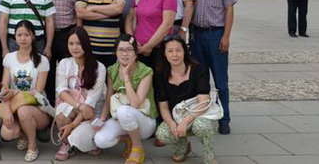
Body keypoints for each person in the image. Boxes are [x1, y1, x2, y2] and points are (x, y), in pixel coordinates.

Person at [191, 0, 237, 135]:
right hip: (196, 36)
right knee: (199, 79)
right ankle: (202, 116)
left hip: (215, 35)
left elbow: (229, 9)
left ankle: (224, 119)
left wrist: (226, 36)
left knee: (220, 80)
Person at [93, 34, 157, 164]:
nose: (124, 54)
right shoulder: (112, 70)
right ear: (115, 53)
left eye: (129, 50)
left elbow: (136, 103)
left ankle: (137, 148)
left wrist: (126, 76)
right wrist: (102, 120)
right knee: (100, 140)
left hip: (144, 121)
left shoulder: (146, 71)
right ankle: (129, 139)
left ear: (136, 53)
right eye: (120, 50)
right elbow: (108, 98)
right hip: (124, 118)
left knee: (123, 111)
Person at [154, 35, 218, 164]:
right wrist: (171, 123)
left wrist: (185, 121)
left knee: (202, 126)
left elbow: (204, 101)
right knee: (162, 134)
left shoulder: (198, 69)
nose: (174, 55)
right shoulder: (161, 74)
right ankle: (182, 147)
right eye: (170, 51)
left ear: (185, 51)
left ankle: (209, 154)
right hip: (177, 116)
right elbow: (163, 106)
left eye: (178, 50)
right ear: (164, 54)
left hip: (200, 115)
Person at [0, 20, 53, 162]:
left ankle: (32, 146)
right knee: (7, 133)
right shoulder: (9, 58)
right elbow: (4, 85)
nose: (23, 38)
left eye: (26, 35)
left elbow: (37, 91)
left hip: (37, 108)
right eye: (19, 35)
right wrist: (6, 109)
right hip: (15, 105)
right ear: (15, 37)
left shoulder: (42, 60)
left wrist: (15, 92)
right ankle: (23, 133)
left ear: (33, 36)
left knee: (24, 111)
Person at [37, 0, 84, 103]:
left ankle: (69, 104)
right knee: (46, 70)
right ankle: (50, 104)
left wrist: (77, 33)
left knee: (69, 70)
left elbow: (78, 11)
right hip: (44, 35)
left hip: (67, 33)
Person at [53, 27, 107, 160]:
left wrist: (72, 125)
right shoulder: (64, 63)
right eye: (71, 43)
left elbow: (90, 104)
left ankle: (89, 140)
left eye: (78, 43)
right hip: (75, 106)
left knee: (80, 140)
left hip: (92, 112)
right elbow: (61, 91)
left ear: (86, 44)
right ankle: (66, 144)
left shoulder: (99, 67)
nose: (74, 47)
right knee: (61, 111)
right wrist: (79, 106)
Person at [125, 0, 176, 69]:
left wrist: (149, 46)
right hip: (138, 48)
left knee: (159, 78)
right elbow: (129, 19)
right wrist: (133, 42)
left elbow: (167, 24)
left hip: (160, 49)